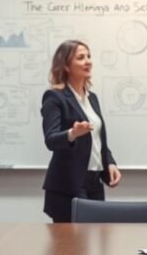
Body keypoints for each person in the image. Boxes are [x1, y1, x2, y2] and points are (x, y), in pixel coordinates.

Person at [40, 40, 121, 223]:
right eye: (81, 57)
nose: (88, 61)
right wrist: (72, 133)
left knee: (96, 242)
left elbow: (98, 139)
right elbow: (51, 140)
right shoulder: (54, 97)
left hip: (95, 182)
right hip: (68, 184)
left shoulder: (92, 98)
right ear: (66, 65)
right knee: (70, 247)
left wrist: (110, 163)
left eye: (89, 56)